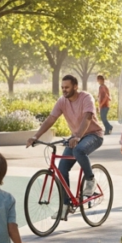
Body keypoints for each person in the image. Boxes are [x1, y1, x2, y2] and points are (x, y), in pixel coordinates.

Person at [26, 75, 104, 219]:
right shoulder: (62, 101)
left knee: (79, 150)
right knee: (62, 169)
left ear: (75, 86)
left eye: (67, 87)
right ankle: (66, 205)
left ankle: (90, 179)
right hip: (76, 137)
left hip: (93, 135)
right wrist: (36, 136)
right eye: (62, 87)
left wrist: (77, 137)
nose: (64, 90)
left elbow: (87, 117)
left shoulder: (86, 97)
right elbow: (51, 118)